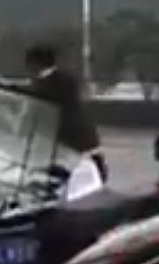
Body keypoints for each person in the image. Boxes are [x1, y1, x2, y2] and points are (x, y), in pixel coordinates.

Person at [24, 44, 108, 182]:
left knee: (89, 170)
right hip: (75, 137)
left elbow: (42, 95)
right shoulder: (57, 80)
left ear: (36, 63)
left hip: (74, 136)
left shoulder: (58, 82)